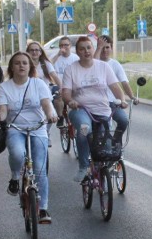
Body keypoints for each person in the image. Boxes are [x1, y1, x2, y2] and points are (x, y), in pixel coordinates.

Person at [0, 51, 59, 223]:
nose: (21, 66)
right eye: (17, 63)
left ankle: (43, 209)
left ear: (30, 66)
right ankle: (15, 177)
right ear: (11, 67)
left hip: (38, 127)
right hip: (16, 128)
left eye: (25, 63)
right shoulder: (4, 88)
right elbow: (3, 109)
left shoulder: (38, 84)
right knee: (17, 153)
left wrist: (51, 114)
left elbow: (46, 104)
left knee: (39, 168)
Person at [60, 36, 130, 182]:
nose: (86, 51)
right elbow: (65, 92)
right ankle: (83, 166)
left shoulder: (103, 67)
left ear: (93, 49)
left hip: (102, 110)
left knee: (102, 143)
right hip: (81, 109)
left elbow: (115, 87)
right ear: (77, 52)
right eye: (82, 49)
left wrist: (122, 100)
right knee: (85, 130)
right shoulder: (71, 69)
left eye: (88, 47)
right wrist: (70, 101)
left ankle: (100, 172)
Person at [94, 34, 139, 143]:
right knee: (102, 129)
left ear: (112, 48)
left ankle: (115, 142)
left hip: (113, 102)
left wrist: (132, 97)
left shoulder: (115, 64)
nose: (105, 50)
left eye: (107, 47)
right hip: (97, 103)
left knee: (123, 121)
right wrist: (98, 48)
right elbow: (93, 65)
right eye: (102, 47)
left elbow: (124, 82)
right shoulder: (94, 61)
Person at [49, 36, 78, 126]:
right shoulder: (55, 57)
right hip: (57, 84)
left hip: (71, 84)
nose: (64, 47)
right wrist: (58, 55)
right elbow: (48, 65)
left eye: (66, 45)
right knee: (58, 96)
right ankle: (60, 116)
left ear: (70, 45)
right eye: (61, 45)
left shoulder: (75, 58)